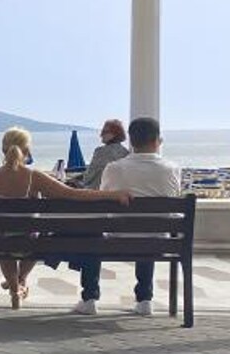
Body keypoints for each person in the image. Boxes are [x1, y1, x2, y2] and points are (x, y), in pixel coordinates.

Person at [0, 127, 131, 309]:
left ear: (3, 149)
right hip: (29, 242)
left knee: (5, 240)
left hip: (0, 242)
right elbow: (73, 194)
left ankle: (15, 287)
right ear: (28, 150)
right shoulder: (33, 176)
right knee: (35, 235)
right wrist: (111, 195)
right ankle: (20, 281)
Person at [72, 117, 181, 317]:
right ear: (158, 140)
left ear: (131, 141)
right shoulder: (172, 169)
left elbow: (102, 203)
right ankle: (145, 299)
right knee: (150, 230)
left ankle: (89, 299)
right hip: (159, 243)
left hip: (118, 240)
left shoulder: (114, 168)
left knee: (93, 234)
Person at [79, 119, 129, 189]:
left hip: (97, 194)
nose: (101, 135)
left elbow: (87, 178)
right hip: (117, 194)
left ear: (115, 134)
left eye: (105, 132)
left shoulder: (101, 152)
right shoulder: (126, 153)